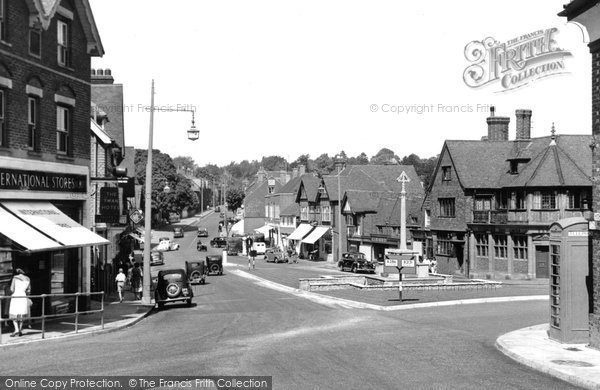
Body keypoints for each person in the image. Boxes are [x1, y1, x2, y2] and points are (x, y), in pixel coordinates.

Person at [9, 269, 31, 337]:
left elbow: (12, 289)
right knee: (21, 314)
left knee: (14, 313)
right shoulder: (28, 279)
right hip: (23, 296)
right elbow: (29, 291)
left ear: (18, 272)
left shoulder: (15, 278)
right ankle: (20, 330)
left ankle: (16, 330)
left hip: (16, 296)